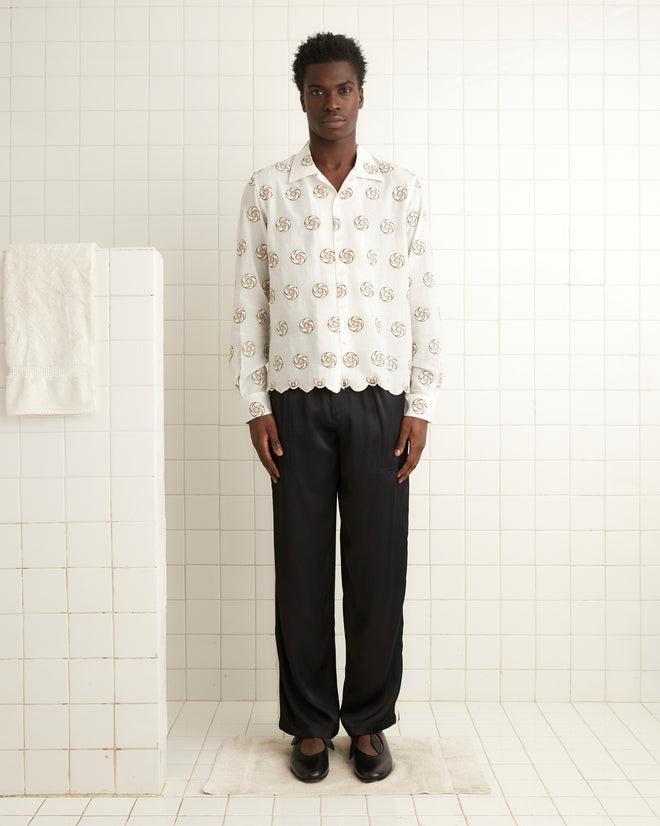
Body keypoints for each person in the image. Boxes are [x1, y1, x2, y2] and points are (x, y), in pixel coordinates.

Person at [230, 32, 442, 783]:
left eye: (342, 88)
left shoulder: (400, 189)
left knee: (380, 569)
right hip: (294, 400)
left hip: (382, 399)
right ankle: (312, 724)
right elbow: (249, 300)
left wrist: (422, 401)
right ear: (301, 97)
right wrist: (255, 401)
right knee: (302, 567)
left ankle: (372, 723)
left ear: (360, 93)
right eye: (317, 89)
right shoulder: (268, 190)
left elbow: (422, 298)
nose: (331, 102)